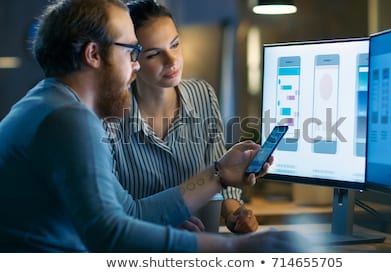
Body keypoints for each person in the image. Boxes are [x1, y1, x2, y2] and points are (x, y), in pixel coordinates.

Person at [0, 0, 310, 252]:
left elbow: (129, 214)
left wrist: (219, 174)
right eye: (132, 51)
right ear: (94, 54)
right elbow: (111, 236)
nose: (135, 65)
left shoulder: (45, 104)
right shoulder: (68, 118)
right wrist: (235, 251)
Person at [105, 0, 258, 233]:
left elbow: (220, 175)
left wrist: (234, 213)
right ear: (132, 61)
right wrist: (160, 223)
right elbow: (110, 212)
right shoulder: (109, 116)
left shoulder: (202, 95)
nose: (172, 60)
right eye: (155, 54)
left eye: (175, 44)